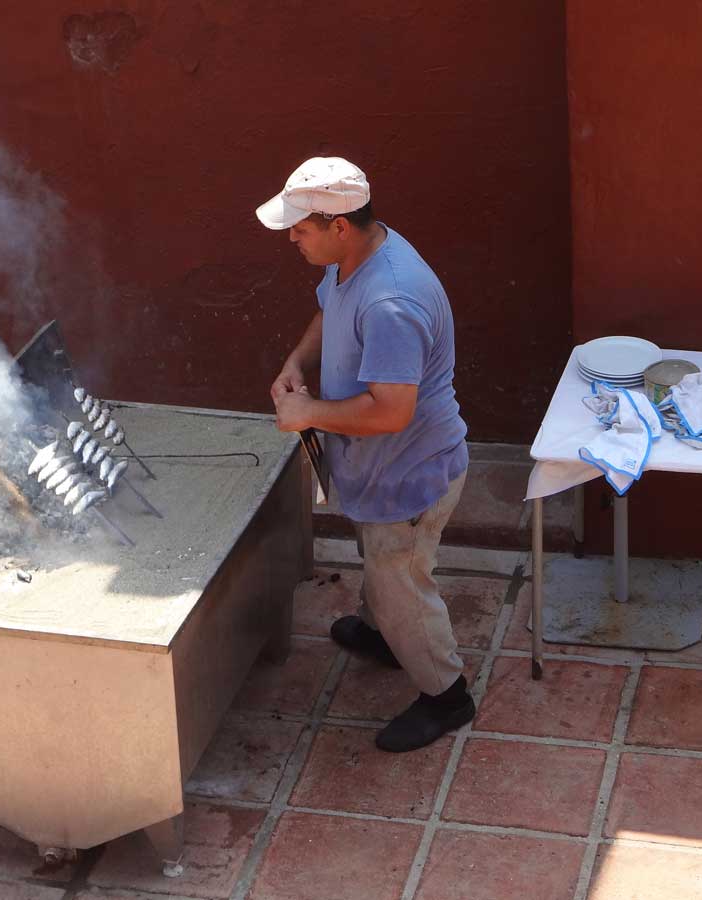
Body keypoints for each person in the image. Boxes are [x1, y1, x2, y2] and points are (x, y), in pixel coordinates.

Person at [257, 156, 474, 753]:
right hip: (376, 468)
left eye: (300, 229)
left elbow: (391, 412)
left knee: (400, 578)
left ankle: (445, 694)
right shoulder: (356, 254)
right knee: (381, 563)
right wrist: (296, 363)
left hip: (407, 474)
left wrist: (308, 413)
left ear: (338, 226)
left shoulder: (391, 302)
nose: (292, 238)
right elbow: (329, 309)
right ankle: (384, 634)